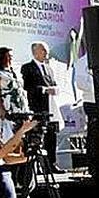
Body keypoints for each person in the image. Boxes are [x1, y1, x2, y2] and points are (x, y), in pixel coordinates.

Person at [21, 41, 63, 173]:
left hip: (51, 107)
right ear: (36, 52)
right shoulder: (27, 67)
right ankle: (37, 166)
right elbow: (27, 87)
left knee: (51, 136)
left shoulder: (49, 68)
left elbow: (53, 84)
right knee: (37, 138)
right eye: (44, 50)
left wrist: (55, 89)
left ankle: (51, 164)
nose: (47, 53)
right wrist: (44, 90)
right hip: (37, 107)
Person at [0, 47, 28, 123]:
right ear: (2, 57)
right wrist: (1, 109)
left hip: (20, 104)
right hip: (7, 105)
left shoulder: (14, 72)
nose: (11, 58)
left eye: (11, 56)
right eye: (9, 56)